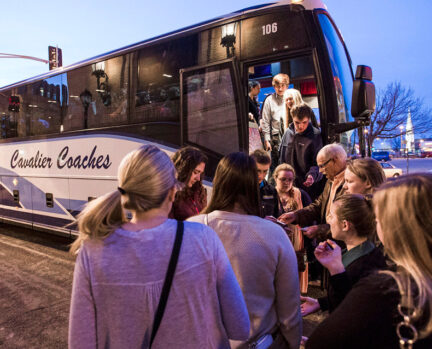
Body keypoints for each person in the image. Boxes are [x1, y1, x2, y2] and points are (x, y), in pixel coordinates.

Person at [69, 145, 250, 349]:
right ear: (172, 192)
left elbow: (80, 342)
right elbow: (240, 327)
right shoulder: (203, 238)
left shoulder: (92, 252)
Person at [188, 152, 302, 349]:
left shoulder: (191, 229)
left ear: (219, 182)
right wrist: (292, 342)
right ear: (252, 186)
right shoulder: (274, 235)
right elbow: (290, 309)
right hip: (259, 342)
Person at [306, 174, 432, 348]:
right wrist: (323, 302)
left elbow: (322, 341)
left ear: (396, 229)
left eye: (379, 220)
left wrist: (336, 272)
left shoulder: (388, 288)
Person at [300, 194, 387, 317]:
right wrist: (322, 303)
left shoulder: (366, 264)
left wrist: (335, 269)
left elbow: (352, 310)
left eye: (331, 215)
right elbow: (349, 293)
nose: (328, 220)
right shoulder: (358, 251)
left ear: (345, 225)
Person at [273, 163, 310, 294]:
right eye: (283, 179)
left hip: (297, 240)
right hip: (277, 240)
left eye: (290, 179)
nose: (287, 182)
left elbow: (309, 216)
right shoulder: (271, 195)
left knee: (296, 270)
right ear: (275, 178)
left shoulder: (301, 195)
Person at [279, 103, 323, 201]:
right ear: (292, 118)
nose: (300, 126)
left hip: (307, 187)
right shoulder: (288, 133)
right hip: (289, 185)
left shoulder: (315, 136)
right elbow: (282, 158)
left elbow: (319, 163)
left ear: (309, 119)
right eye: (297, 122)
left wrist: (312, 176)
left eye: (304, 122)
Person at [261, 73, 289, 177]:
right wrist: (267, 140)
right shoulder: (269, 100)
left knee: (288, 164)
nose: (280, 88)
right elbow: (265, 120)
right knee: (276, 166)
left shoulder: (290, 98)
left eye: (282, 85)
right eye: (278, 86)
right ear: (274, 86)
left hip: (290, 135)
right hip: (276, 137)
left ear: (286, 86)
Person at [169, 146, 207, 221]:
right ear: (183, 170)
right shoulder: (170, 193)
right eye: (196, 172)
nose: (198, 178)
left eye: (201, 173)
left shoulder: (200, 192)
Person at [250, 149, 282, 218]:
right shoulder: (239, 189)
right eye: (258, 171)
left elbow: (276, 216)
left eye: (265, 171)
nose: (261, 175)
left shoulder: (271, 191)